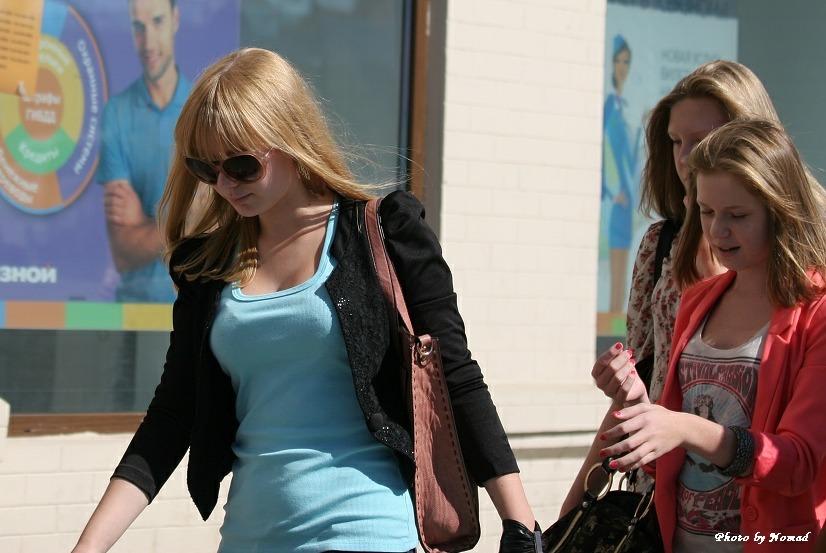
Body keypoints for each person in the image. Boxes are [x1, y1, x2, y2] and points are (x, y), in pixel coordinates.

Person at [71, 47, 540, 553]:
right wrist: (89, 546)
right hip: (248, 538)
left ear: (290, 138)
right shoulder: (206, 266)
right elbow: (172, 414)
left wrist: (521, 525)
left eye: (242, 166)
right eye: (207, 169)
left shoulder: (385, 234)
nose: (225, 185)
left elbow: (455, 375)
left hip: (366, 532)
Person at [561, 60, 783, 515]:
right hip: (659, 494)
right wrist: (572, 510)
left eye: (702, 140)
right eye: (676, 141)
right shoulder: (660, 242)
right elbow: (641, 385)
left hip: (756, 497)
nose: (685, 157)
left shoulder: (792, 258)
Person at [594, 118, 826, 552]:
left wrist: (684, 427)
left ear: (780, 210)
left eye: (737, 215)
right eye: (706, 211)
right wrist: (639, 405)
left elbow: (797, 464)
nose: (718, 230)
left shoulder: (817, 314)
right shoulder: (698, 299)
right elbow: (675, 447)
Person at [98, 0, 191, 303]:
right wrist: (186, 222)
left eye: (158, 22)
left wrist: (143, 225)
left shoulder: (203, 110)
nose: (148, 42)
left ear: (176, 19)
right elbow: (123, 253)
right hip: (132, 310)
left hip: (195, 307)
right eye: (139, 27)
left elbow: (216, 225)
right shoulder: (117, 113)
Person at [602, 34, 642, 314]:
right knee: (616, 262)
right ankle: (614, 314)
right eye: (618, 60)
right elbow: (605, 153)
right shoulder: (609, 107)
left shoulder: (627, 107)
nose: (622, 66)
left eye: (626, 61)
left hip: (628, 199)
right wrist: (614, 190)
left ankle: (617, 314)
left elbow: (631, 156)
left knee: (625, 264)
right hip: (617, 200)